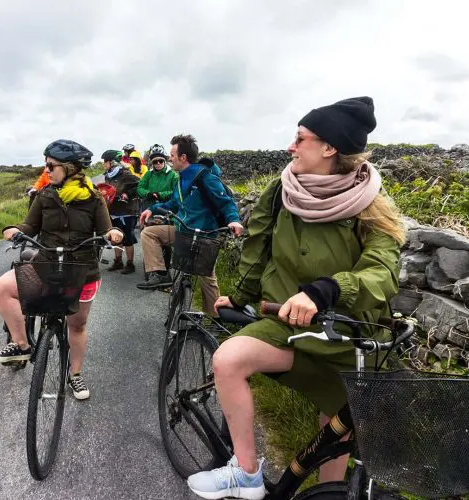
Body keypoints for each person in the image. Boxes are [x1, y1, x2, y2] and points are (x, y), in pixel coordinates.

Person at [187, 97, 406, 500]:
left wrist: (331, 289)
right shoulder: (281, 189)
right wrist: (241, 295)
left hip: (345, 333)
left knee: (335, 426)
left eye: (300, 138)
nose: (291, 146)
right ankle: (246, 472)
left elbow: (384, 269)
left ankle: (330, 494)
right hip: (285, 322)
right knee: (228, 359)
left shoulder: (371, 205)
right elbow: (257, 247)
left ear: (329, 148)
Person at [0, 139, 123, 400]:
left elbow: (107, 230)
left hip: (81, 271)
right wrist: (15, 230)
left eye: (51, 165)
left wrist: (114, 233)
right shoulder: (44, 195)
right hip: (45, 265)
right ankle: (21, 344)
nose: (46, 170)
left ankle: (75, 375)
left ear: (70, 168)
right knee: (1, 287)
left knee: (77, 325)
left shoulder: (94, 198)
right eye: (45, 165)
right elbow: (30, 227)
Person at [137, 134, 243, 317]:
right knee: (149, 233)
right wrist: (153, 209)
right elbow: (174, 203)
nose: (169, 158)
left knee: (207, 278)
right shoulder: (181, 178)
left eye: (172, 154)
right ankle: (161, 274)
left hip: (205, 236)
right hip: (182, 231)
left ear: (183, 157)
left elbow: (226, 203)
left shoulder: (205, 178)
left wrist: (234, 219)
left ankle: (214, 319)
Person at [101, 149, 141, 274]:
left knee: (128, 238)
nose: (104, 164)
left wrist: (127, 194)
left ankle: (130, 264)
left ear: (112, 162)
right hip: (114, 211)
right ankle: (118, 262)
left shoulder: (125, 173)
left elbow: (140, 185)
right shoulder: (108, 175)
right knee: (115, 238)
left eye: (105, 162)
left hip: (127, 211)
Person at [136, 144, 178, 208]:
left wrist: (160, 194)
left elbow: (176, 192)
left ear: (164, 161)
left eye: (160, 161)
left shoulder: (173, 175)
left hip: (167, 207)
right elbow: (139, 188)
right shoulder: (148, 174)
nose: (158, 163)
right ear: (152, 163)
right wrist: (148, 193)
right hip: (149, 206)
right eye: (155, 161)